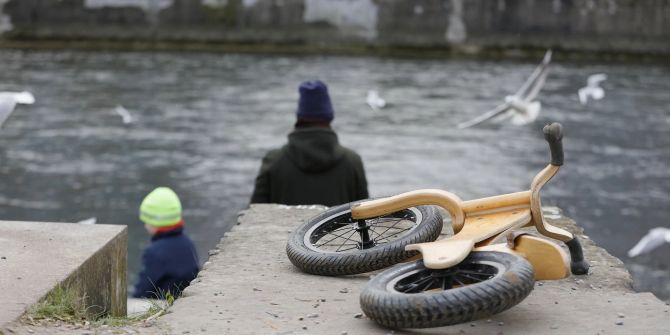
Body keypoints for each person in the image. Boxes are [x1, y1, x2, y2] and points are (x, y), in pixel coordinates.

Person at [250, 80, 369, 206]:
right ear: (329, 117)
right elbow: (365, 215)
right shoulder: (353, 162)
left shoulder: (273, 161)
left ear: (299, 117)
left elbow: (254, 213)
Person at [133, 187, 199, 299]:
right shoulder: (188, 243)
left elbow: (143, 289)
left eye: (147, 221)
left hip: (165, 302)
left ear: (155, 222)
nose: (145, 225)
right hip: (184, 299)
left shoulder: (155, 252)